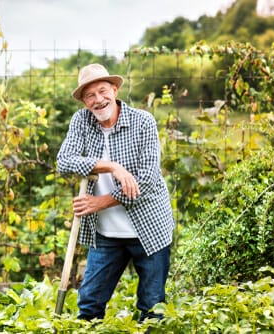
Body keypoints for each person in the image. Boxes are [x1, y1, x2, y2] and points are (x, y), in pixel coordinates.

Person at [56, 63, 175, 322]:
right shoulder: (82, 121)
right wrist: (111, 166)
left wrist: (100, 202)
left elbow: (147, 179)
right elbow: (64, 161)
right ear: (84, 101)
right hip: (107, 234)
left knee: (152, 307)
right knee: (88, 305)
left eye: (102, 91)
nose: (98, 100)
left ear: (115, 88)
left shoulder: (143, 122)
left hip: (149, 229)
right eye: (90, 95)